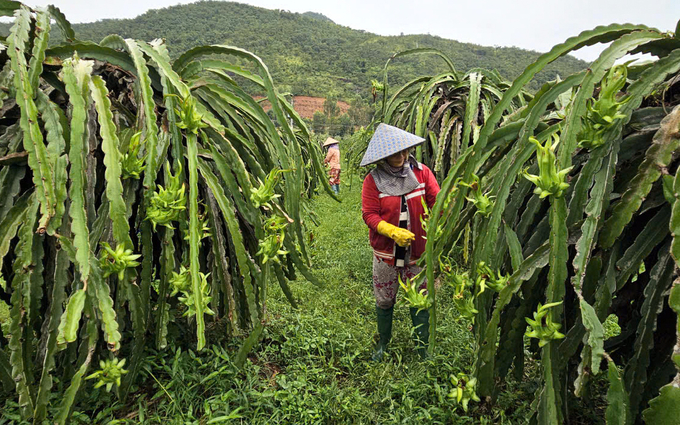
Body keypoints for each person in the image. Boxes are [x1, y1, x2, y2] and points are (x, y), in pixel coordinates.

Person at [360, 123, 440, 361]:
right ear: (383, 156)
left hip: (419, 250)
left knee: (420, 299)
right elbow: (370, 214)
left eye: (404, 150)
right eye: (395, 153)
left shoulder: (422, 173)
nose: (402, 156)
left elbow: (436, 200)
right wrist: (390, 230)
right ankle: (382, 343)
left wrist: (442, 216)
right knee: (385, 299)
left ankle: (422, 348)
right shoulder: (372, 181)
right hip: (386, 252)